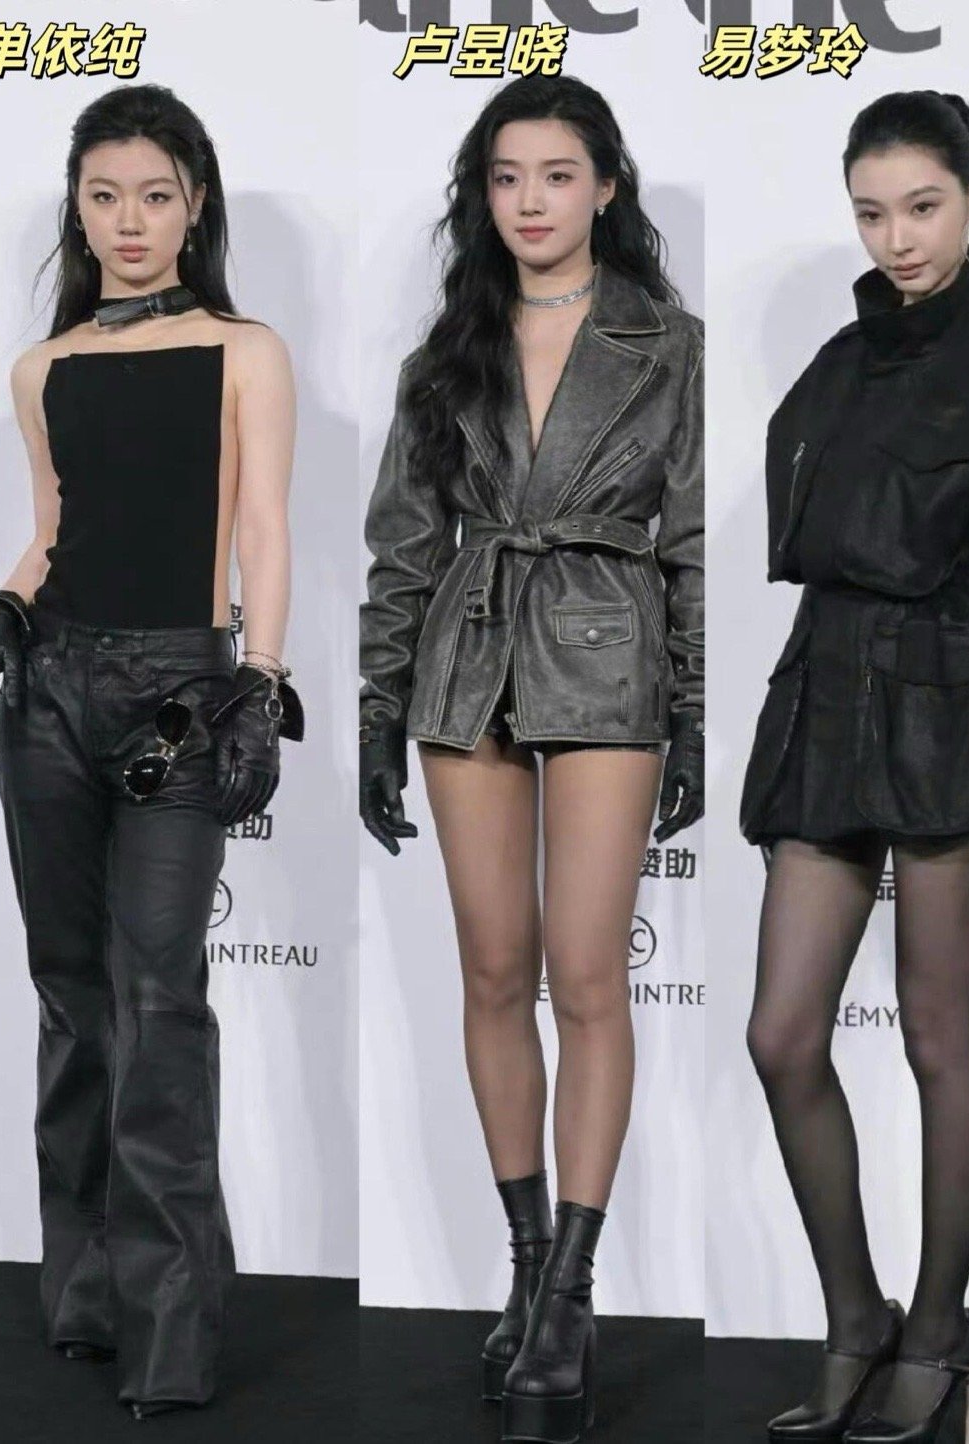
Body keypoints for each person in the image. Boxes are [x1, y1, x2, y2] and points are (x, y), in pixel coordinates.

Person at [359, 73, 703, 1444]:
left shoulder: (669, 346)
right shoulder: (445, 353)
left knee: (587, 977)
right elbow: (402, 547)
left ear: (606, 188)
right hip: (467, 658)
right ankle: (526, 1264)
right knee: (494, 971)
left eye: (557, 175)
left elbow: (690, 543)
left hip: (610, 652)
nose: (530, 202)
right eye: (506, 178)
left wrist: (691, 709)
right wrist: (378, 708)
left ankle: (571, 1290)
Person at [0, 83, 302, 1419]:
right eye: (105, 196)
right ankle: (86, 1294)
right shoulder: (41, 369)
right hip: (49, 689)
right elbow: (57, 531)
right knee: (70, 997)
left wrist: (260, 682)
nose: (129, 220)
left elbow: (263, 527)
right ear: (77, 208)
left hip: (178, 692)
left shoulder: (245, 350)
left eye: (155, 195)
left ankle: (172, 1332)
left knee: (159, 1000)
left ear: (194, 206)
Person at [741, 90, 969, 1444]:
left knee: (937, 1036)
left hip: (947, 703)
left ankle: (937, 1329)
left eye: (923, 206)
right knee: (781, 1033)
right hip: (827, 684)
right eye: (871, 213)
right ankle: (854, 1316)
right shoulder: (836, 361)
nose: (898, 237)